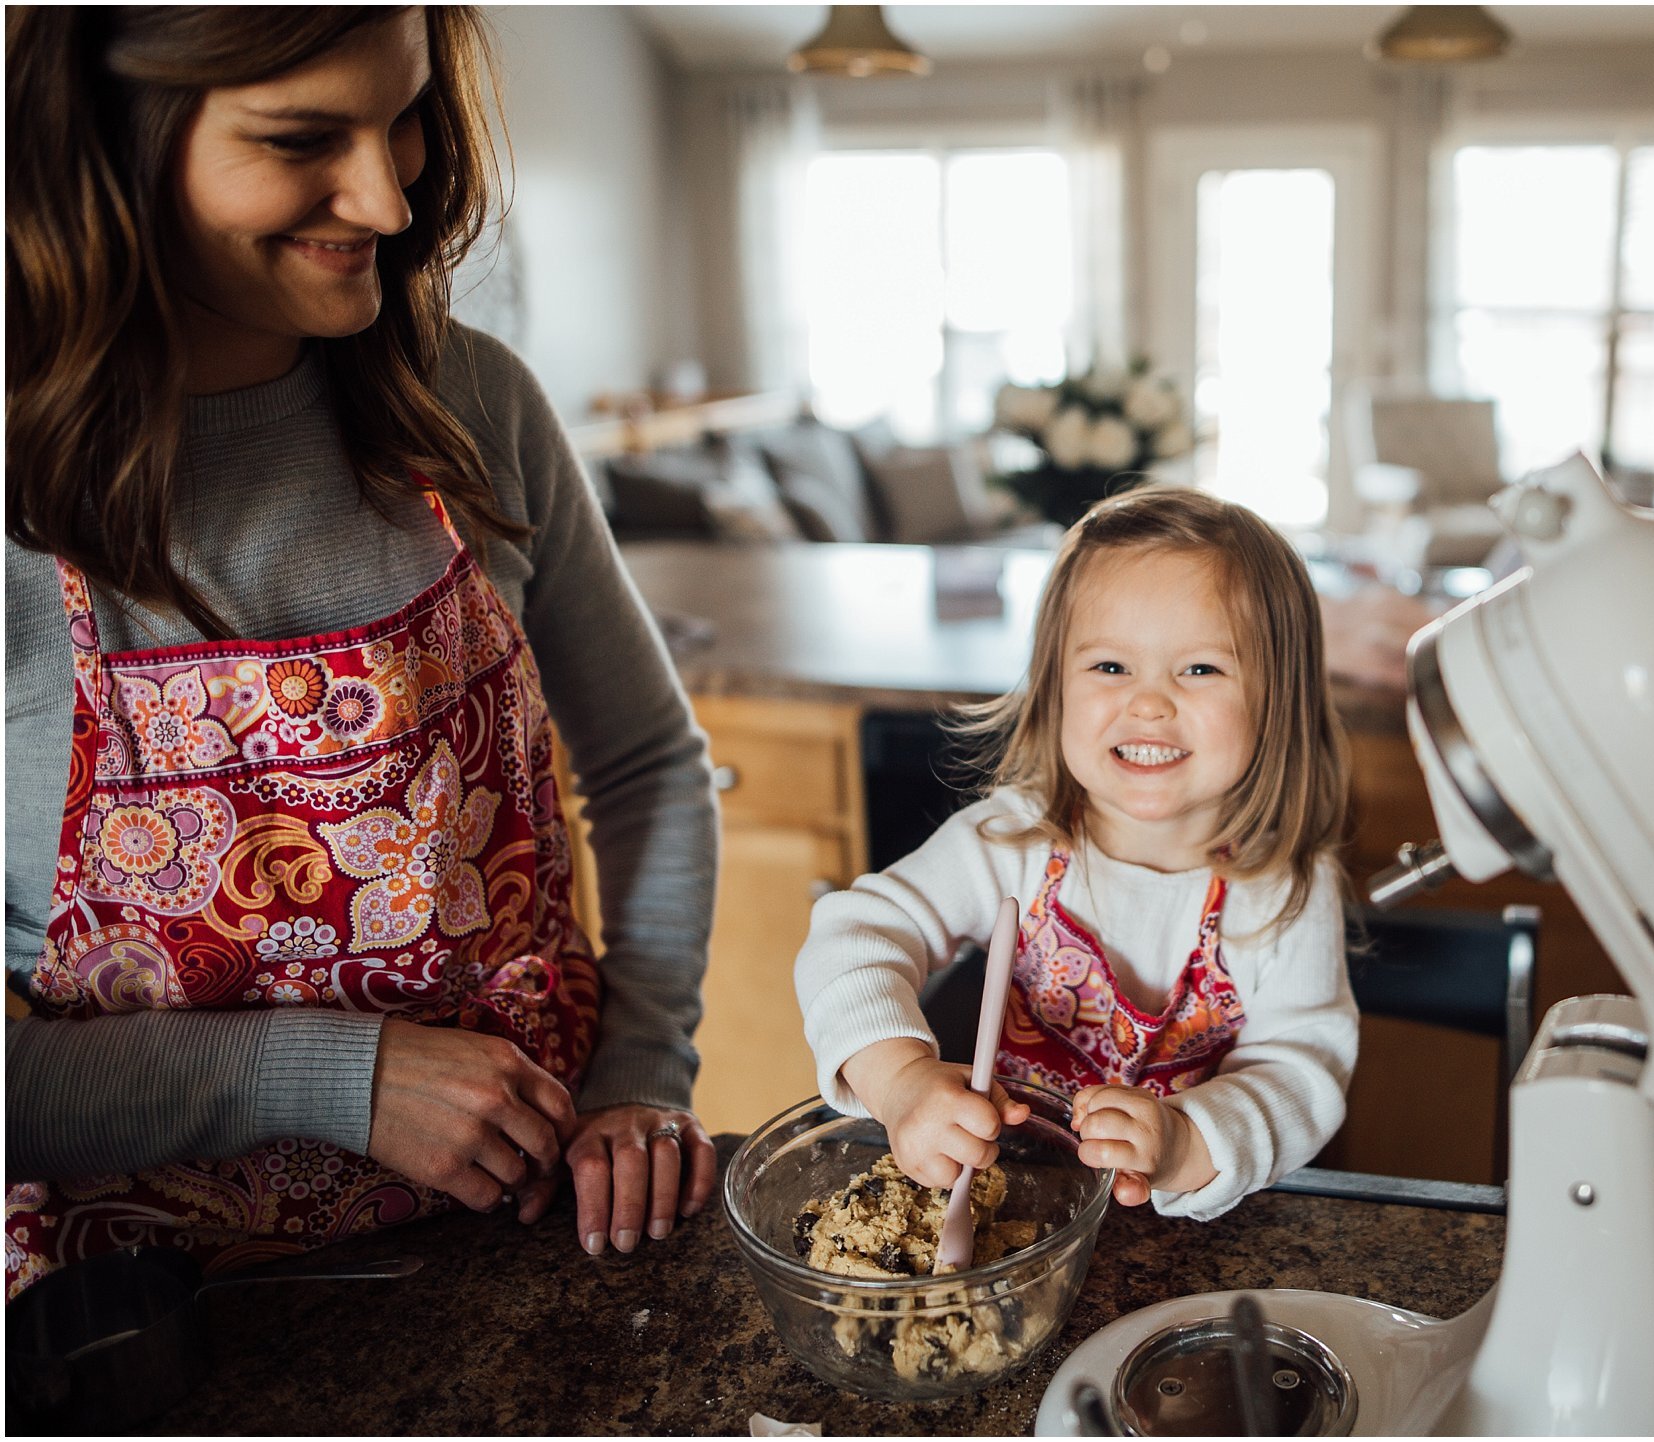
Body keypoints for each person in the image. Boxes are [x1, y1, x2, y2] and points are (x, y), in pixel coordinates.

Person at [3, 7, 719, 1299]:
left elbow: (652, 765)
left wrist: (640, 1075)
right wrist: (337, 1075)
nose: (389, 200)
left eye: (405, 116)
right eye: (299, 137)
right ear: (103, 141)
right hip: (161, 1332)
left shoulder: (477, 403)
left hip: (539, 1239)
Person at [794, 488, 1358, 1218]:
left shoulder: (1285, 889)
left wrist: (1186, 1143)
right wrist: (900, 1081)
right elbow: (854, 935)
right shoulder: (1013, 842)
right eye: (1111, 668)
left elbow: (1302, 1070)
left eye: (1200, 670)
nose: (1149, 704)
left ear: (1278, 699)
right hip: (1016, 1203)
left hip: (1197, 1229)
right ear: (1055, 686)